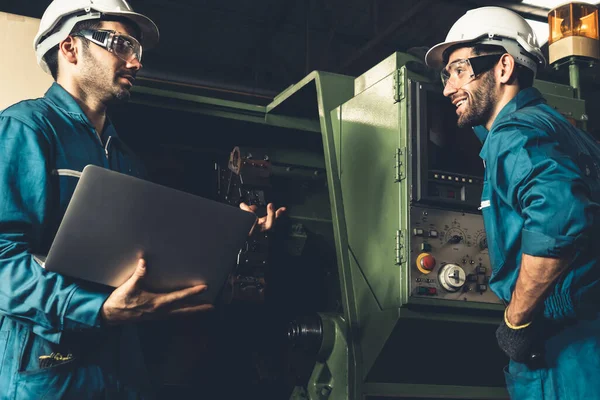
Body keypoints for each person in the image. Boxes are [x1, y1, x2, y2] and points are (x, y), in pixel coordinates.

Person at [0, 0, 284, 398]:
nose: (135, 63)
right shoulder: (25, 130)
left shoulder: (125, 158)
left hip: (121, 373)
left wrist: (229, 236)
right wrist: (95, 309)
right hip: (51, 369)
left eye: (137, 51)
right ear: (70, 48)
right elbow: (2, 260)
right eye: (121, 45)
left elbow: (149, 261)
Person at [425, 6, 600, 400]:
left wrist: (517, 320)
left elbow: (560, 222)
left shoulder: (512, 133)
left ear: (503, 67)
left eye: (460, 70)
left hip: (565, 354)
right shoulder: (563, 131)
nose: (449, 88)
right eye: (446, 75)